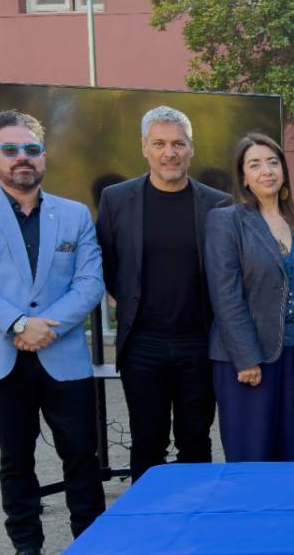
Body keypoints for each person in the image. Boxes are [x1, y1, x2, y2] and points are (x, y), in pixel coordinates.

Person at [0, 110, 106, 555]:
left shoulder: (75, 214)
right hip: (2, 356)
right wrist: (19, 323)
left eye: (32, 149)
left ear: (44, 156)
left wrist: (48, 327)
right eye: (11, 150)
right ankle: (26, 544)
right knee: (14, 456)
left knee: (82, 453)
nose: (22, 158)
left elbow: (89, 281)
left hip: (62, 353)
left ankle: (91, 542)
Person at [97, 106, 230, 482]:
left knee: (196, 441)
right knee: (147, 442)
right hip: (142, 345)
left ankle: (196, 523)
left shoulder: (218, 203)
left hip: (200, 344)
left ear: (191, 148)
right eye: (159, 143)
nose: (169, 152)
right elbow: (108, 263)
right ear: (144, 147)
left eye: (178, 143)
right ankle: (148, 530)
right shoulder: (116, 199)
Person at [204, 134, 294, 462]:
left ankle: (288, 513)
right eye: (254, 165)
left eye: (272, 162)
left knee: (292, 453)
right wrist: (246, 357)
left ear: (283, 171)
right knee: (251, 454)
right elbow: (225, 295)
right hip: (246, 360)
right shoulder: (226, 221)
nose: (266, 171)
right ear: (243, 176)